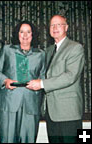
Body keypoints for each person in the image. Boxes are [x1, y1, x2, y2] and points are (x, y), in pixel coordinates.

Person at [26, 15, 85, 143]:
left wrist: (41, 84)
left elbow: (70, 76)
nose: (55, 28)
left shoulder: (75, 48)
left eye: (59, 24)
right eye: (52, 25)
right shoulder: (49, 51)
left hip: (68, 112)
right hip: (51, 112)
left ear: (66, 27)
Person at [0, 21, 46, 143]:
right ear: (17, 34)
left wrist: (39, 83)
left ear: (33, 35)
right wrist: (5, 80)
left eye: (28, 32)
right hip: (8, 103)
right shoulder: (7, 50)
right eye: (21, 32)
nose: (25, 35)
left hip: (31, 104)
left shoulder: (41, 54)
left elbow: (44, 76)